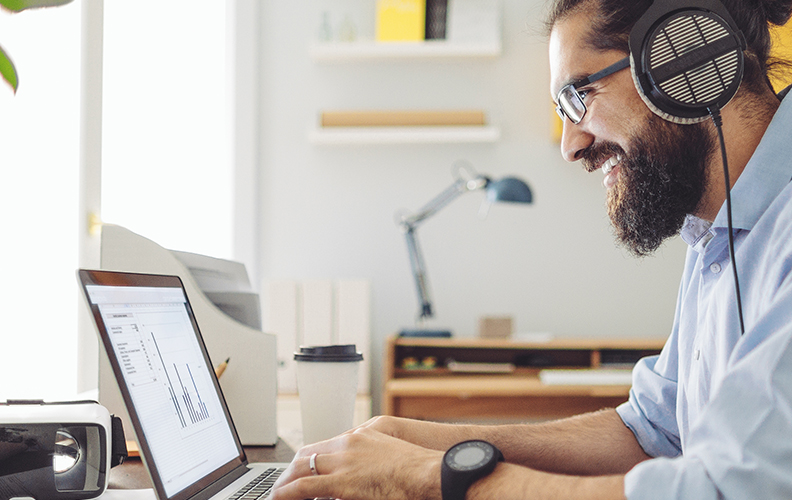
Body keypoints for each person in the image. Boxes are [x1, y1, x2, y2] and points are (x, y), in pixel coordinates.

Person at [269, 0, 792, 498]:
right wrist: (420, 441)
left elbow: (737, 491)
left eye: (577, 98)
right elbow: (652, 434)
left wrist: (428, 477)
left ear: (678, 56)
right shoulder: (714, 239)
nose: (570, 145)